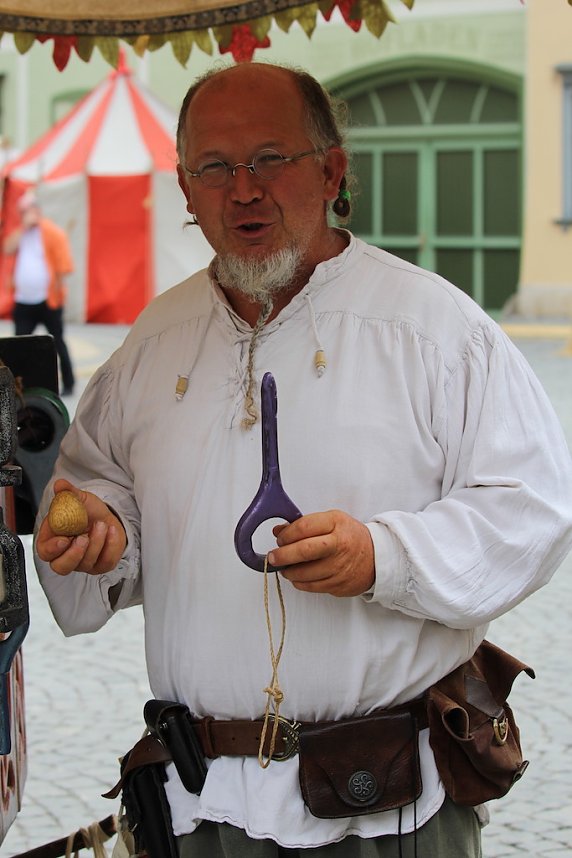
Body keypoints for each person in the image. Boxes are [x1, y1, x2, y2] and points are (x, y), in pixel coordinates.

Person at [34, 62, 572, 857]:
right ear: (185, 190)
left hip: (382, 805)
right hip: (200, 805)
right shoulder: (153, 343)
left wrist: (384, 556)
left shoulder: (435, 331)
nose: (242, 188)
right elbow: (98, 486)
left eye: (270, 158)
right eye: (214, 167)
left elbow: (530, 509)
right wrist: (106, 533)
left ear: (331, 170)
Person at [3, 190, 75, 395]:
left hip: (48, 300)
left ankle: (68, 382)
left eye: (27, 210)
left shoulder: (52, 232)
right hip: (24, 300)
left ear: (36, 210)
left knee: (57, 341)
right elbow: (7, 248)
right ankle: (17, 385)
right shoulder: (21, 233)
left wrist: (57, 292)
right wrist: (23, 227)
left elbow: (63, 266)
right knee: (18, 345)